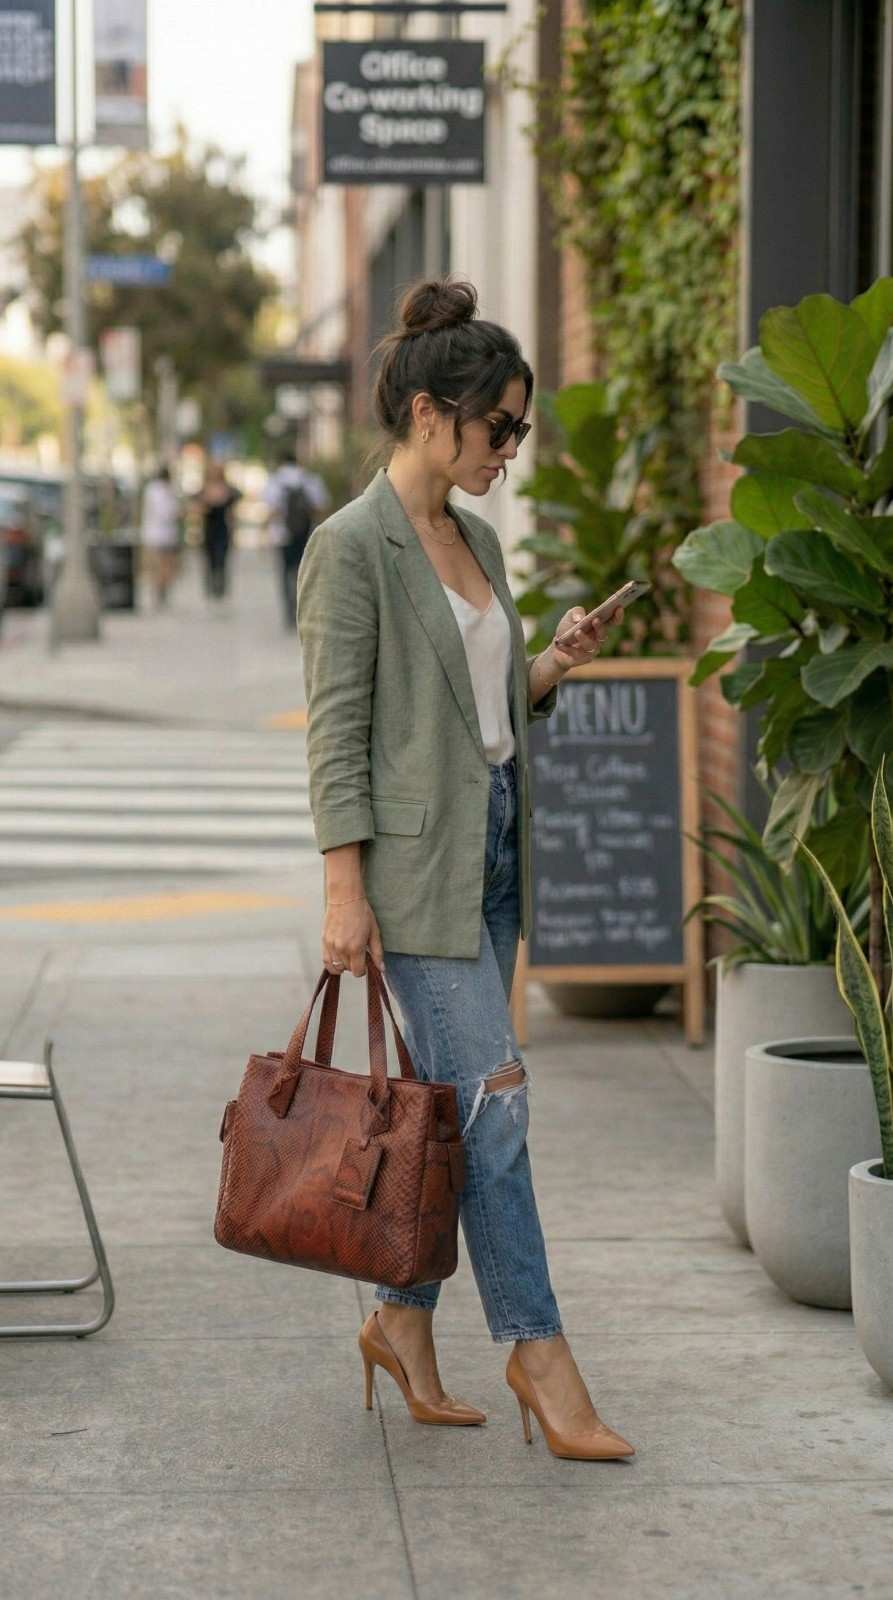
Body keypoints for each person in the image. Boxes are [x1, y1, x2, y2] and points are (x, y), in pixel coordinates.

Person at [296, 276, 634, 1462]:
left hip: (489, 846)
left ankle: (399, 1322)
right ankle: (539, 1351)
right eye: (501, 427)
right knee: (495, 1108)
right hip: (413, 874)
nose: (510, 450)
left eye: (519, 431)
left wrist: (547, 664)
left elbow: (480, 710)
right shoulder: (351, 548)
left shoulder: (476, 537)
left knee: (449, 1111)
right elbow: (336, 732)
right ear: (432, 414)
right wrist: (344, 890)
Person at [264, 446, 331, 629]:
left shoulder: (275, 481)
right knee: (305, 573)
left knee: (285, 572)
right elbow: (321, 507)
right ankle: (304, 609)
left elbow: (271, 510)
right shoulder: (310, 479)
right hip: (307, 535)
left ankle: (289, 610)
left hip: (282, 535)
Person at [197, 461, 240, 603]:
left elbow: (236, 499)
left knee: (222, 559)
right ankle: (211, 587)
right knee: (210, 560)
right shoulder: (203, 489)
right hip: (208, 530)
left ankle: (221, 588)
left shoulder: (228, 490)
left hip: (223, 529)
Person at [139, 465, 180, 609]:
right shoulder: (163, 491)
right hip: (162, 536)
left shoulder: (151, 490)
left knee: (158, 568)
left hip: (154, 536)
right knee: (163, 567)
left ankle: (159, 593)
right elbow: (168, 513)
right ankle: (160, 594)